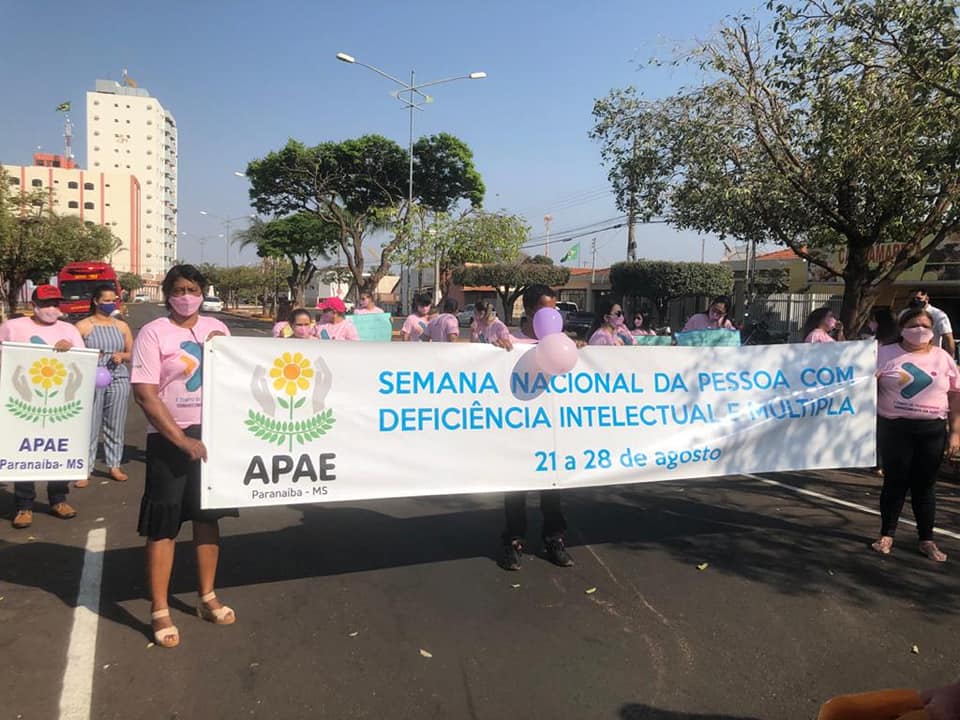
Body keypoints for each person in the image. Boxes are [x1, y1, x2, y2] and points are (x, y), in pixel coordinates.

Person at [131, 264, 237, 649]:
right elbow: (145, 392)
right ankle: (160, 608)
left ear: (203, 292)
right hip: (169, 440)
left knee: (208, 518)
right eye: (178, 289)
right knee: (164, 524)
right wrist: (180, 440)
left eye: (193, 289)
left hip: (214, 437)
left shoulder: (218, 330)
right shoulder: (152, 334)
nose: (186, 296)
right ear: (167, 294)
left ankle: (207, 595)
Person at [872, 308, 959, 562]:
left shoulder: (943, 358)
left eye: (925, 325)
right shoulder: (883, 354)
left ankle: (926, 539)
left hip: (931, 430)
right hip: (894, 429)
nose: (919, 329)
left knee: (925, 487)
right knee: (894, 483)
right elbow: (863, 387)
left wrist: (955, 434)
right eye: (913, 324)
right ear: (901, 328)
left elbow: (955, 396)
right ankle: (886, 534)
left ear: (933, 331)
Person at [498, 284, 573, 570]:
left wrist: (579, 351)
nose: (552, 314)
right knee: (515, 492)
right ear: (529, 311)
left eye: (554, 308)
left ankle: (555, 540)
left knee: (552, 492)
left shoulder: (561, 342)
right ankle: (513, 542)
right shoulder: (510, 342)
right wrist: (498, 352)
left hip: (550, 433)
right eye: (545, 309)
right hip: (518, 433)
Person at [0, 285, 83, 528]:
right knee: (25, 452)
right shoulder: (13, 327)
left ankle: (59, 499)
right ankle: (24, 505)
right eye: (46, 304)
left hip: (59, 402)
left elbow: (85, 361)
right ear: (33, 306)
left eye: (56, 304)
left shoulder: (69, 330)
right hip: (22, 402)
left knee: (57, 451)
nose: (51, 309)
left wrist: (70, 350)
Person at [75, 283, 134, 487]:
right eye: (106, 300)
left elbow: (132, 353)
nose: (110, 304)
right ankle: (85, 468)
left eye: (113, 300)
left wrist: (122, 356)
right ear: (96, 301)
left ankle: (114, 465)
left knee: (115, 424)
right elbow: (73, 355)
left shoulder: (121, 326)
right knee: (90, 424)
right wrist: (90, 356)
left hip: (118, 378)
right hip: (92, 379)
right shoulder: (83, 326)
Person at [903, 288, 955, 357]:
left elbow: (947, 337)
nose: (915, 301)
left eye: (919, 298)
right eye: (912, 298)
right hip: (908, 355)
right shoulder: (904, 313)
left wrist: (950, 358)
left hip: (932, 356)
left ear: (927, 299)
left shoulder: (938, 315)